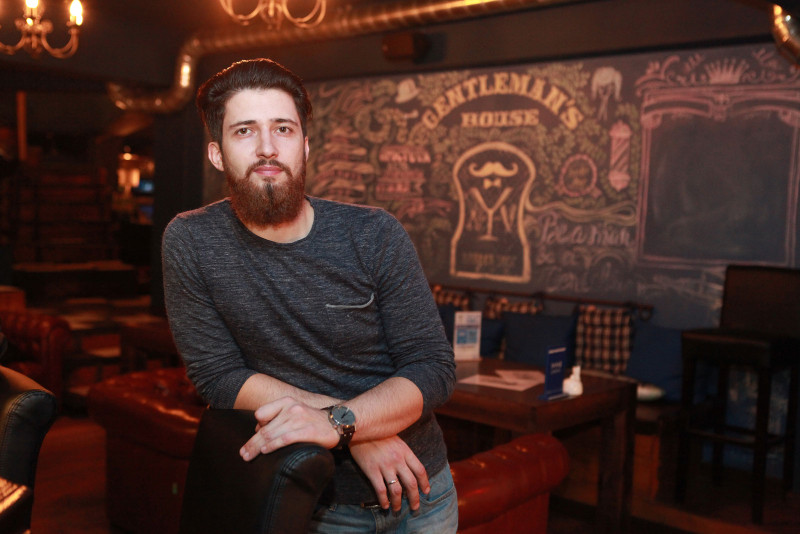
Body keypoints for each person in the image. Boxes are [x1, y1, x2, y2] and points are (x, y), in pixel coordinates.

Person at [161, 58, 458, 533]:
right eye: (244, 131)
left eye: (283, 128)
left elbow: (432, 367)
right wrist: (352, 432)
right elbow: (219, 377)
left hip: (420, 493)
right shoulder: (191, 240)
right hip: (314, 502)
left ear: (304, 145)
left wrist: (341, 424)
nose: (267, 147)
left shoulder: (374, 233)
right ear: (217, 153)